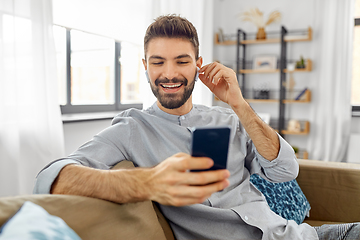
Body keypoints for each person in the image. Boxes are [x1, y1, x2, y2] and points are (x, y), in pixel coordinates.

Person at [34, 15, 359, 240]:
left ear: (198, 64)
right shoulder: (132, 128)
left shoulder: (228, 119)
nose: (169, 74)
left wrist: (239, 103)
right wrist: (149, 182)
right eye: (158, 62)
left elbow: (285, 171)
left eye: (182, 61)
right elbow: (51, 176)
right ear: (145, 67)